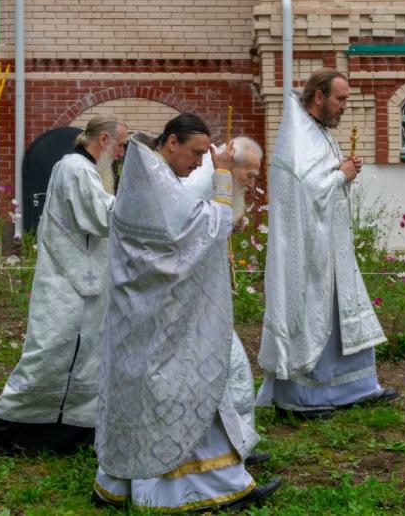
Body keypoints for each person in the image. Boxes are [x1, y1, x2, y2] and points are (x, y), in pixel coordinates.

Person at [93, 115, 280, 513]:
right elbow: (202, 229)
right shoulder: (155, 181)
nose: (199, 163)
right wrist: (223, 177)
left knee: (143, 399)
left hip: (144, 316)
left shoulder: (151, 175)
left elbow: (183, 232)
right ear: (172, 142)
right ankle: (208, 489)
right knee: (183, 392)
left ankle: (120, 485)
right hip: (164, 321)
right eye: (196, 154)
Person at [0, 117, 128, 455]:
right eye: (120, 145)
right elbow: (102, 218)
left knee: (81, 356)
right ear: (103, 139)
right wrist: (140, 203)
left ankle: (68, 431)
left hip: (79, 279)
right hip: (68, 281)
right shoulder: (77, 169)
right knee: (52, 353)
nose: (121, 153)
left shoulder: (80, 168)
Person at [257, 69, 397, 419]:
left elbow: (320, 182)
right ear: (319, 97)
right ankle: (301, 399)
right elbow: (303, 190)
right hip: (305, 251)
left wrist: (343, 173)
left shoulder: (317, 132)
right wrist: (340, 176)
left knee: (341, 310)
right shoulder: (298, 135)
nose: (345, 106)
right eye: (341, 99)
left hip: (330, 245)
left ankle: (356, 388)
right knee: (311, 316)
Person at [182, 135, 269, 463]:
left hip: (211, 301)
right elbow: (187, 238)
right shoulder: (197, 186)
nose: (253, 182)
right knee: (225, 371)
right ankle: (225, 454)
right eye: (250, 175)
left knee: (233, 371)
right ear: (232, 166)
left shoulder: (219, 184)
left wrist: (229, 222)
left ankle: (236, 447)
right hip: (194, 304)